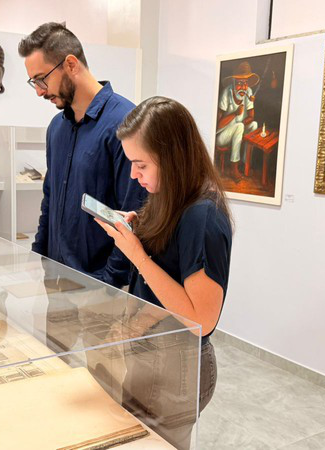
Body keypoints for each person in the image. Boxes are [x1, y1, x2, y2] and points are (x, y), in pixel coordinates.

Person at [96, 96, 234, 449]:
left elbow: (202, 320)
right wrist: (140, 229)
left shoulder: (203, 216)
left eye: (141, 164)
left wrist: (137, 255)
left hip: (178, 368)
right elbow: (169, 264)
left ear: (172, 157)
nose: (133, 175)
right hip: (152, 355)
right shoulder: (170, 196)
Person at [18, 22, 147, 288]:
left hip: (101, 287)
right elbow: (50, 197)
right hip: (55, 278)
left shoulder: (126, 123)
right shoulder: (57, 128)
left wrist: (108, 282)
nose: (40, 91)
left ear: (71, 64)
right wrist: (39, 253)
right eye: (34, 83)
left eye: (42, 79)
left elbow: (135, 213)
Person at [216, 61, 260, 180]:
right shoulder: (227, 93)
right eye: (240, 83)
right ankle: (233, 168)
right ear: (234, 82)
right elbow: (218, 125)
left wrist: (243, 123)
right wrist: (235, 114)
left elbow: (251, 117)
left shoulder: (248, 92)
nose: (243, 87)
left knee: (254, 125)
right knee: (239, 126)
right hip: (222, 136)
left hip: (237, 130)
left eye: (245, 83)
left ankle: (245, 162)